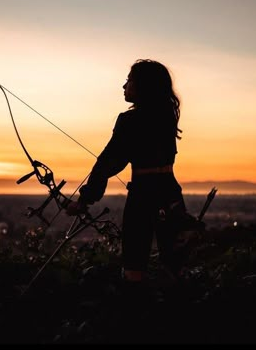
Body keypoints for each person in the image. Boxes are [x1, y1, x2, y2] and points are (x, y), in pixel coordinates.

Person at [67, 59, 191, 284]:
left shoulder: (130, 120)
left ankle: (135, 310)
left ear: (143, 85)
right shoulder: (166, 115)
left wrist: (85, 199)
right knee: (174, 262)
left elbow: (109, 161)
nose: (124, 86)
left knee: (135, 260)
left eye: (129, 81)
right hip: (171, 193)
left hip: (143, 196)